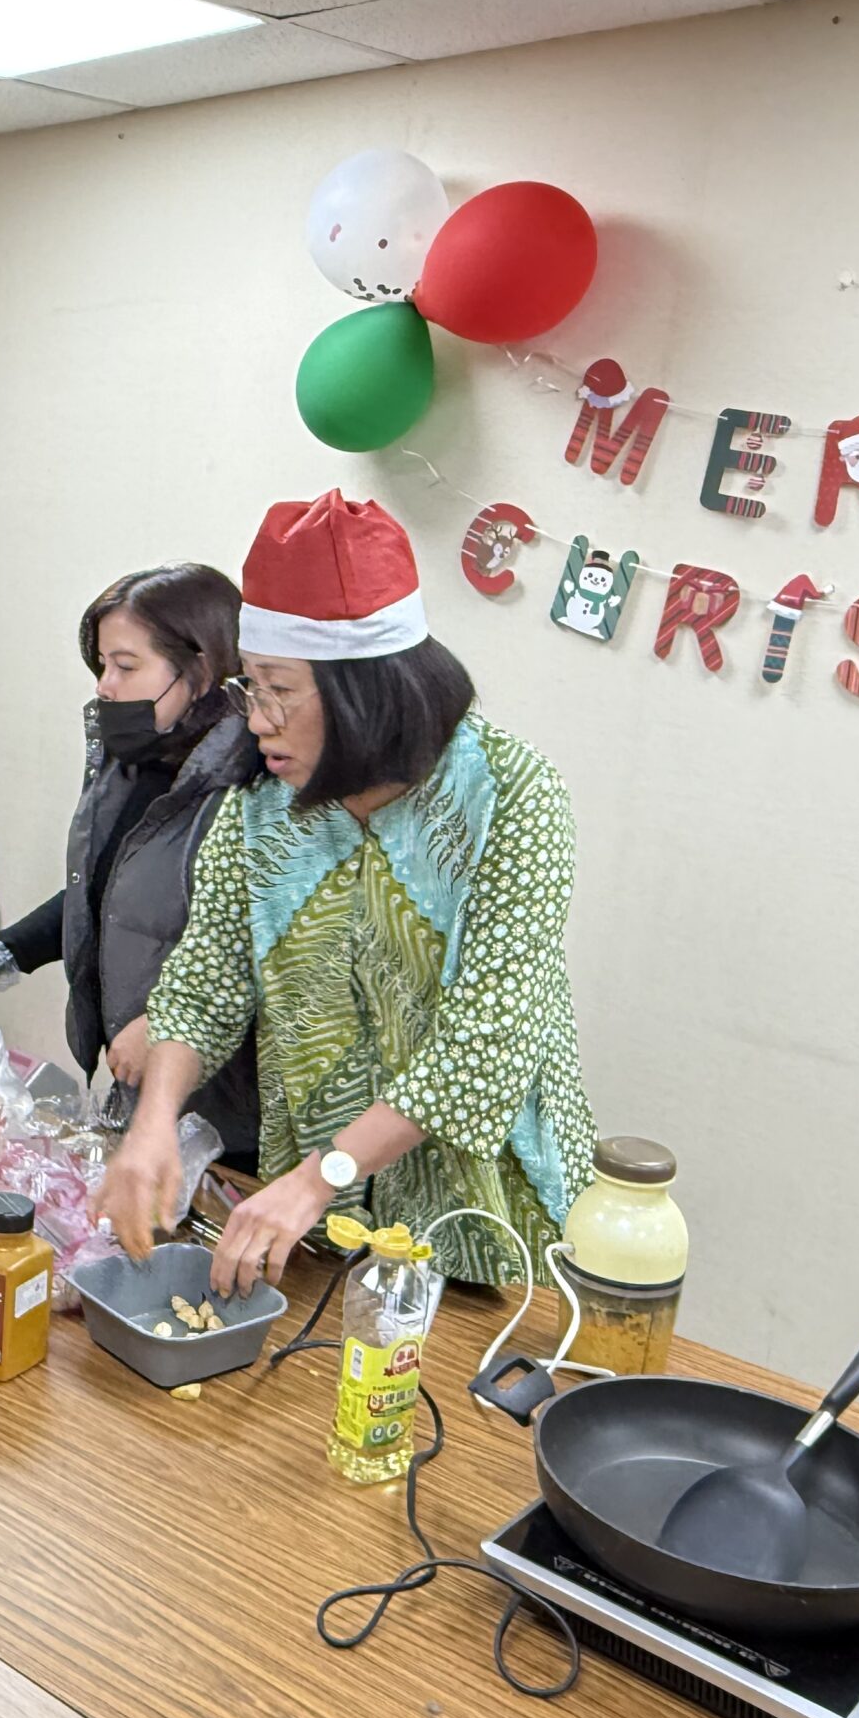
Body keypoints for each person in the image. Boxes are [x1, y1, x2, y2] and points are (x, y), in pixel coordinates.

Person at [95, 492, 595, 1297]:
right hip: (316, 1213)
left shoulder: (510, 795)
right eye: (247, 688)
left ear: (367, 689)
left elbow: (484, 1048)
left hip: (483, 1216)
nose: (255, 720)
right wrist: (153, 1121)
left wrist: (318, 1176)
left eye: (278, 691)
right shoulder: (260, 806)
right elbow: (206, 979)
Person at [0, 565, 261, 1165]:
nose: (105, 686)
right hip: (136, 1082)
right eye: (102, 665)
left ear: (202, 669)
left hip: (227, 1103)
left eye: (127, 667)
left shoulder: (252, 783)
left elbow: (260, 944)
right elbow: (107, 894)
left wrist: (165, 1022)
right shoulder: (128, 760)